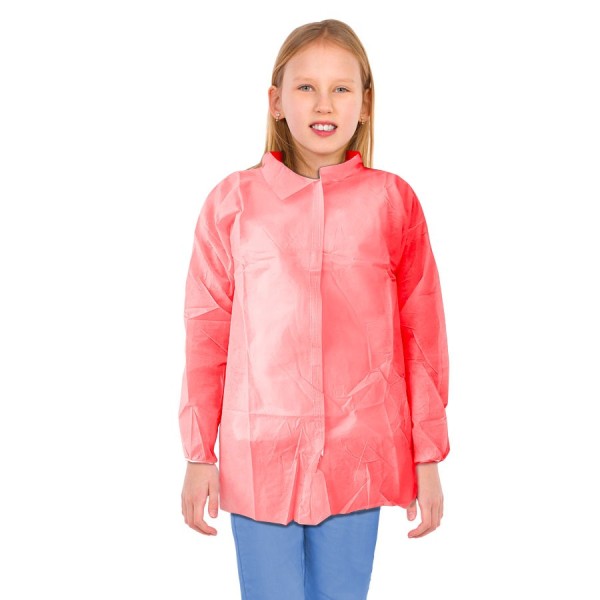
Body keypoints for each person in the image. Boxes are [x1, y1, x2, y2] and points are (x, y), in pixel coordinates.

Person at [179, 18, 450, 600]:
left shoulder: (392, 203)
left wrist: (427, 456)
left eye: (341, 88)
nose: (323, 103)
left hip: (360, 452)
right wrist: (199, 454)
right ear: (276, 101)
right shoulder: (234, 203)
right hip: (260, 452)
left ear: (365, 103)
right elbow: (207, 334)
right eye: (305, 86)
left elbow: (421, 334)